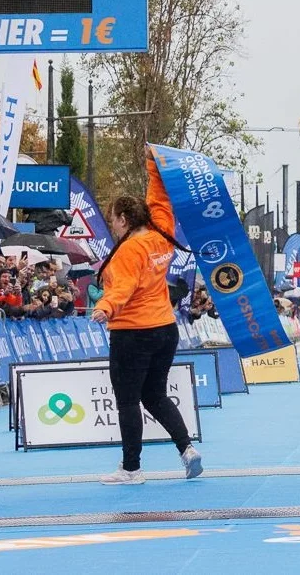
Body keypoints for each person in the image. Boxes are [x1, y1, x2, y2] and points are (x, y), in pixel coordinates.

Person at [92, 146, 202, 485]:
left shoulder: (129, 250)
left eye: (112, 220)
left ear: (124, 220)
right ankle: (187, 450)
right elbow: (161, 203)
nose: (111, 226)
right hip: (165, 329)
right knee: (154, 394)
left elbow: (123, 287)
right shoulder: (160, 237)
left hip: (132, 333)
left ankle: (131, 469)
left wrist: (104, 307)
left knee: (127, 401)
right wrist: (154, 166)